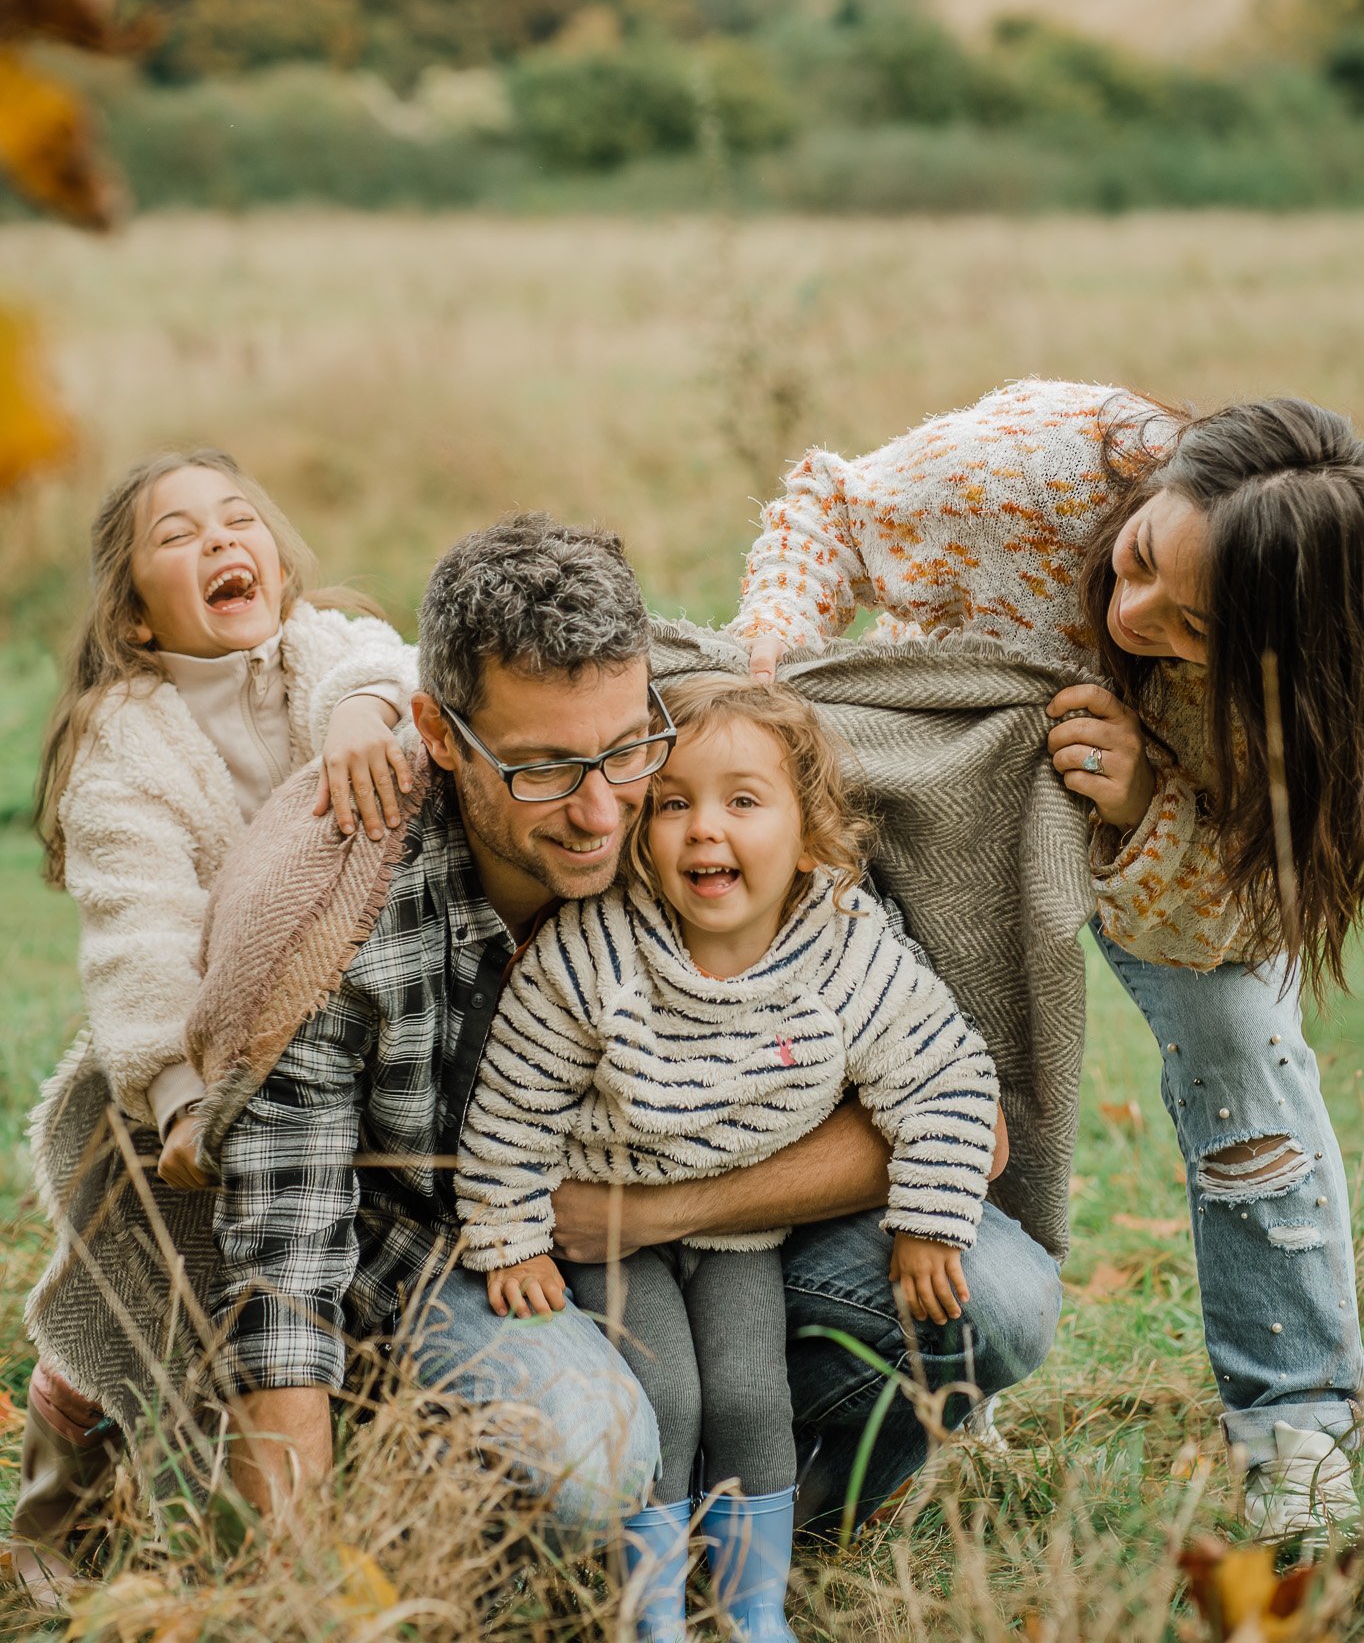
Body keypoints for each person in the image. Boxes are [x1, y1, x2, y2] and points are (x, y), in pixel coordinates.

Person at [203, 514, 1060, 1550]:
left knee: (1001, 1300)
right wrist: (297, 1581)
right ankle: (518, 1518)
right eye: (543, 768)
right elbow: (281, 1277)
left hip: (718, 1236)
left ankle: (752, 1530)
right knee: (591, 1455)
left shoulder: (712, 797)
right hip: (469, 1259)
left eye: (621, 750)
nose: (602, 809)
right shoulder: (337, 913)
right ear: (436, 732)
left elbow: (966, 1122)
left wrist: (651, 1211)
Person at [731, 376, 1364, 1539]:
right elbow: (825, 504)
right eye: (1134, 562)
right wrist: (776, 640)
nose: (1133, 623)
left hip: (1173, 838)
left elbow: (1251, 909)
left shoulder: (1330, 680)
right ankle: (935, 1359)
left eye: (1191, 633)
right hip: (949, 792)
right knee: (943, 1066)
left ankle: (1299, 1434)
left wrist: (1140, 806)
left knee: (1244, 1047)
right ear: (1146, 490)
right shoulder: (1036, 463)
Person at [455, 673, 1000, 1643]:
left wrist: (926, 1217)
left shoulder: (842, 948)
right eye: (672, 803)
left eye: (742, 800)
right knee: (664, 1394)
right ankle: (651, 1610)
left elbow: (945, 1072)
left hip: (745, 1236)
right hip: (606, 1235)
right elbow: (512, 1103)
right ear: (639, 828)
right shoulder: (595, 951)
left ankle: (750, 1608)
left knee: (749, 1396)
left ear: (807, 832)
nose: (703, 828)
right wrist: (509, 1239)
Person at [10, 448, 417, 1606]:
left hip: (349, 1035)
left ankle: (355, 1474)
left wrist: (360, 714)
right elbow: (138, 938)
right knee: (144, 1258)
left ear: (279, 566)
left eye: (240, 522)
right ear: (135, 615)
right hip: (182, 1059)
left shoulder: (325, 655)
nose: (221, 542)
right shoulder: (125, 746)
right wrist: (183, 1092)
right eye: (178, 535)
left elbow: (394, 664)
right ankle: (63, 1484)